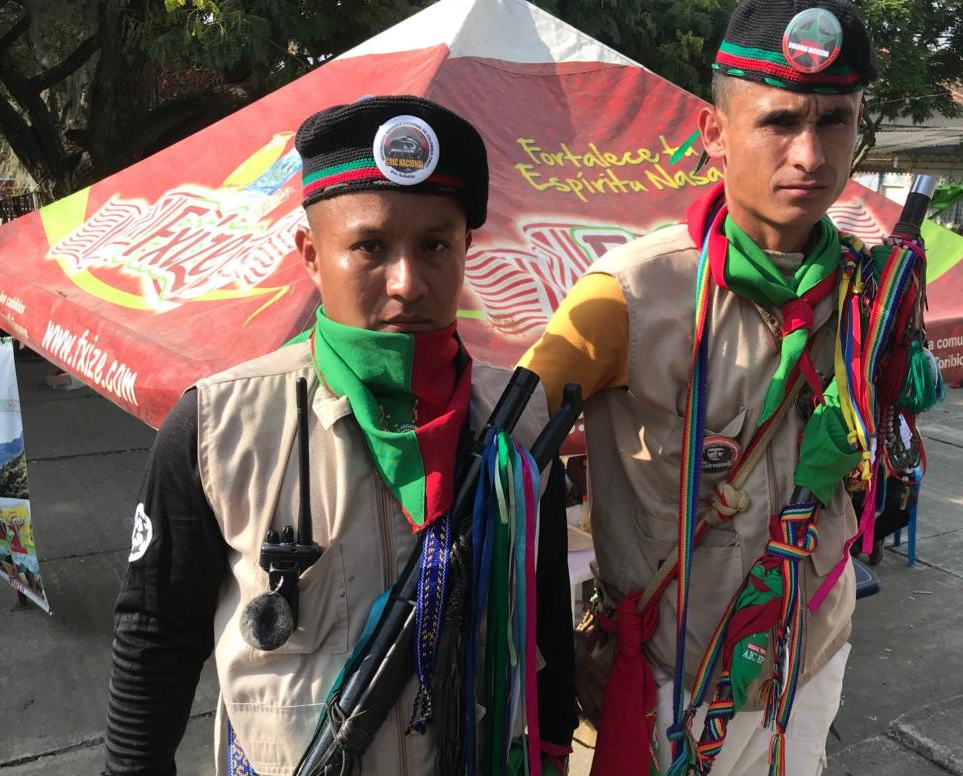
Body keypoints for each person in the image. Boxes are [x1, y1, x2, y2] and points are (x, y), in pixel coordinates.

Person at [102, 96, 575, 776]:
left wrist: (553, 756)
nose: (408, 283)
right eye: (369, 246)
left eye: (436, 244)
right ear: (311, 254)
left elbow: (546, 621)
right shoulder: (214, 427)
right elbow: (155, 637)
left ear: (468, 247)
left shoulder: (520, 424)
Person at [521, 1, 883, 773]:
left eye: (836, 121)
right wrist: (552, 645)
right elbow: (504, 467)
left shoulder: (868, 293)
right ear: (714, 133)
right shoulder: (627, 293)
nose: (811, 154)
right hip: (669, 671)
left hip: (809, 656)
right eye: (779, 122)